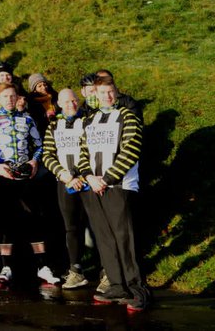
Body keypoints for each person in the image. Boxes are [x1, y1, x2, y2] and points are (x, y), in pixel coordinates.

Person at [0, 84, 60, 289]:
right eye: (6, 96)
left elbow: (39, 145)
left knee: (34, 219)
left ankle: (43, 265)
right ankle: (6, 267)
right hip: (3, 177)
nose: (10, 99)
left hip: (25, 176)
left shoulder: (27, 119)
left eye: (13, 96)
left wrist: (34, 162)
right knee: (5, 222)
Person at [79, 79, 148, 312]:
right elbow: (82, 153)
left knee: (124, 239)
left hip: (119, 187)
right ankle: (117, 285)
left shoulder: (128, 117)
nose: (107, 96)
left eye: (110, 91)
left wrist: (107, 179)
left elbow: (131, 150)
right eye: (102, 92)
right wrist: (89, 177)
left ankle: (137, 289)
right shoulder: (89, 120)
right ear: (95, 95)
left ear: (116, 93)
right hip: (93, 187)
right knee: (105, 239)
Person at [41, 88, 91, 290]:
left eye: (75, 100)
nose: (72, 104)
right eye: (67, 102)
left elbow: (92, 150)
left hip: (87, 180)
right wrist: (65, 175)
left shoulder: (88, 122)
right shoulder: (53, 126)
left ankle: (107, 270)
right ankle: (76, 270)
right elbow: (47, 155)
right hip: (65, 182)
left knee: (96, 226)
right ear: (59, 104)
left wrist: (80, 175)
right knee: (71, 227)